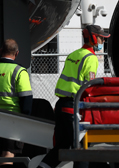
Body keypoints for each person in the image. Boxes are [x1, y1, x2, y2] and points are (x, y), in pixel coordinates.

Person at [40, 25, 110, 168]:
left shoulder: (74, 54)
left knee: (61, 147)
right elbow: (88, 86)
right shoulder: (91, 58)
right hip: (73, 107)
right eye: (101, 38)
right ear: (93, 38)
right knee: (81, 148)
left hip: (61, 105)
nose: (103, 41)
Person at [0, 39, 32, 164]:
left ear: (0, 51)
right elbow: (26, 99)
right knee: (9, 152)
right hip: (13, 118)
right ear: (17, 53)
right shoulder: (19, 71)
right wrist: (26, 119)